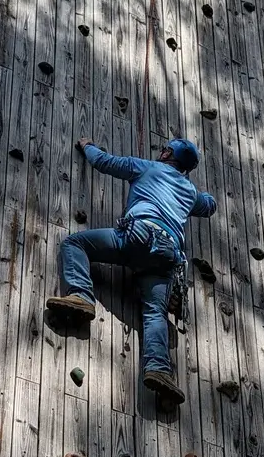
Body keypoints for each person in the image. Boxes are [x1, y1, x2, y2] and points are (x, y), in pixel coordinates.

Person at [46, 136, 217, 403]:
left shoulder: (147, 167)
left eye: (164, 149)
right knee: (155, 313)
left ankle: (80, 296)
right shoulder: (191, 193)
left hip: (139, 236)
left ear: (167, 154)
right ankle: (159, 370)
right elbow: (209, 206)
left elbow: (104, 162)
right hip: (167, 255)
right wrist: (201, 194)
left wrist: (87, 145)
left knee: (75, 244)